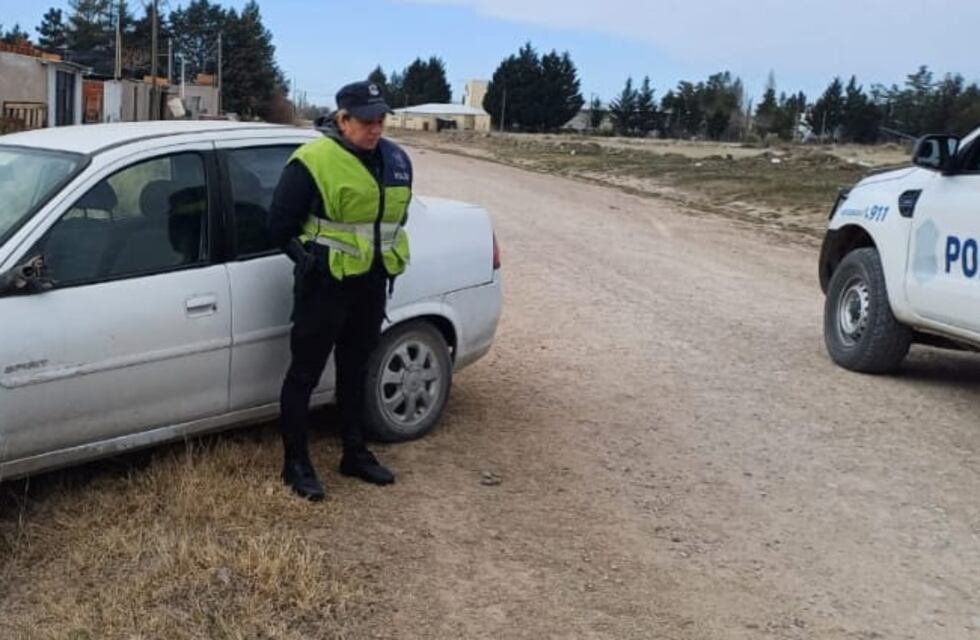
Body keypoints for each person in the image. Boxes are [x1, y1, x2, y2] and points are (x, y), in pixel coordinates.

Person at [267, 80, 412, 501]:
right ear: (342, 118)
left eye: (381, 120)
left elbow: (392, 220)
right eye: (366, 121)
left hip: (370, 284)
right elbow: (278, 227)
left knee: (356, 371)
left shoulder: (395, 159)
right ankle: (296, 464)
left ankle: (355, 453)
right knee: (304, 375)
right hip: (324, 286)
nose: (375, 128)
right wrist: (309, 262)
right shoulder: (312, 160)